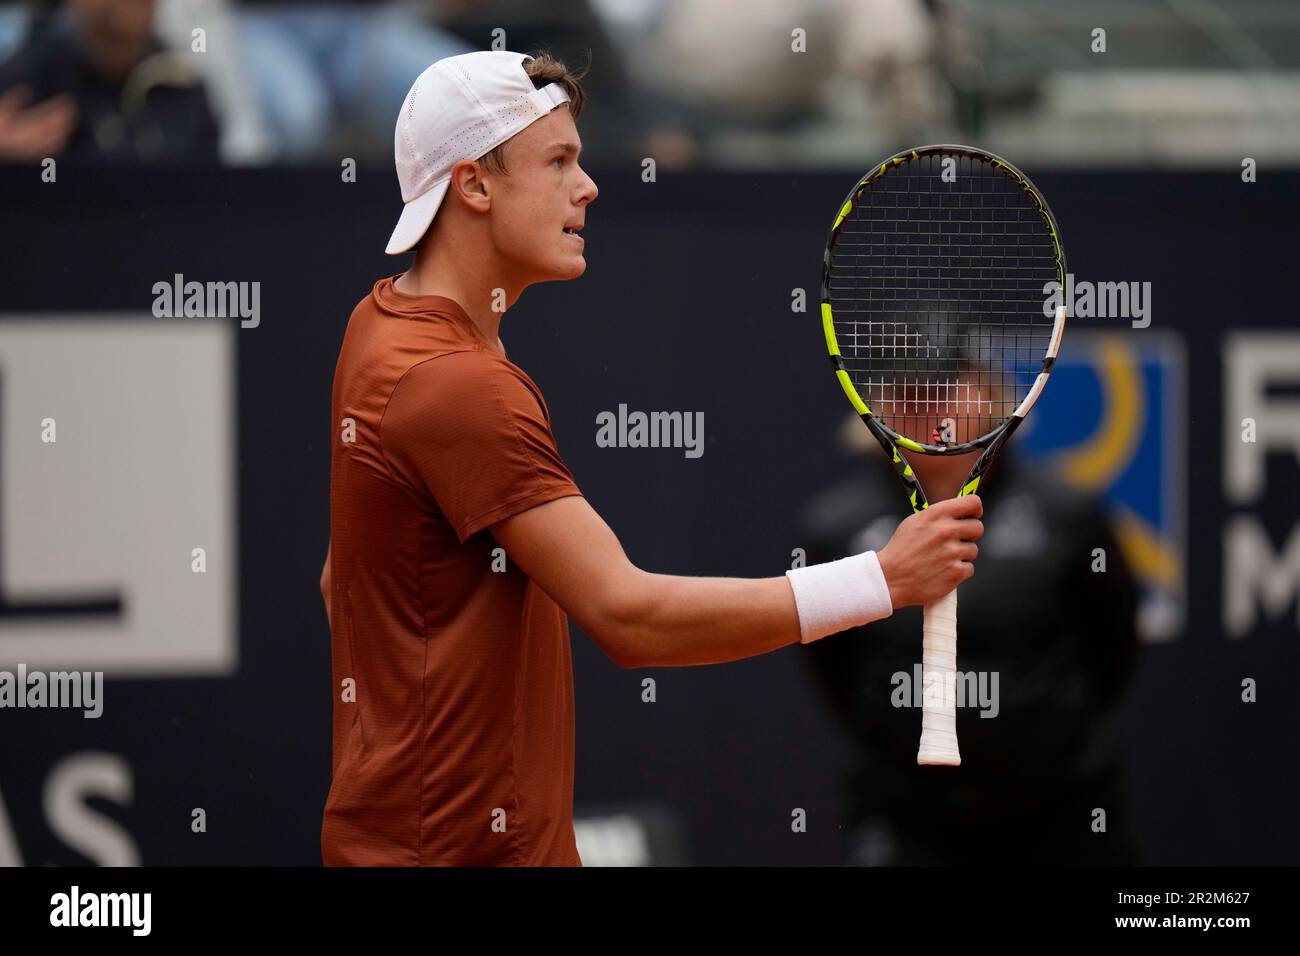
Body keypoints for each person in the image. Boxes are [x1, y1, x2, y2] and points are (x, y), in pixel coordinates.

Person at [319, 49, 984, 866]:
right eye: (558, 161)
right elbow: (630, 618)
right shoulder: (459, 387)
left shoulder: (378, 326)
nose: (588, 185)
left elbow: (340, 580)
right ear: (474, 186)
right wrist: (880, 580)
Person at [797, 418, 1141, 865]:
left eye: (954, 384)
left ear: (995, 398)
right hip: (904, 813)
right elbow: (832, 663)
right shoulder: (833, 526)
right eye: (915, 391)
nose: (937, 409)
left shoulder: (1068, 512)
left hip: (1060, 808)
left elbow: (1113, 638)